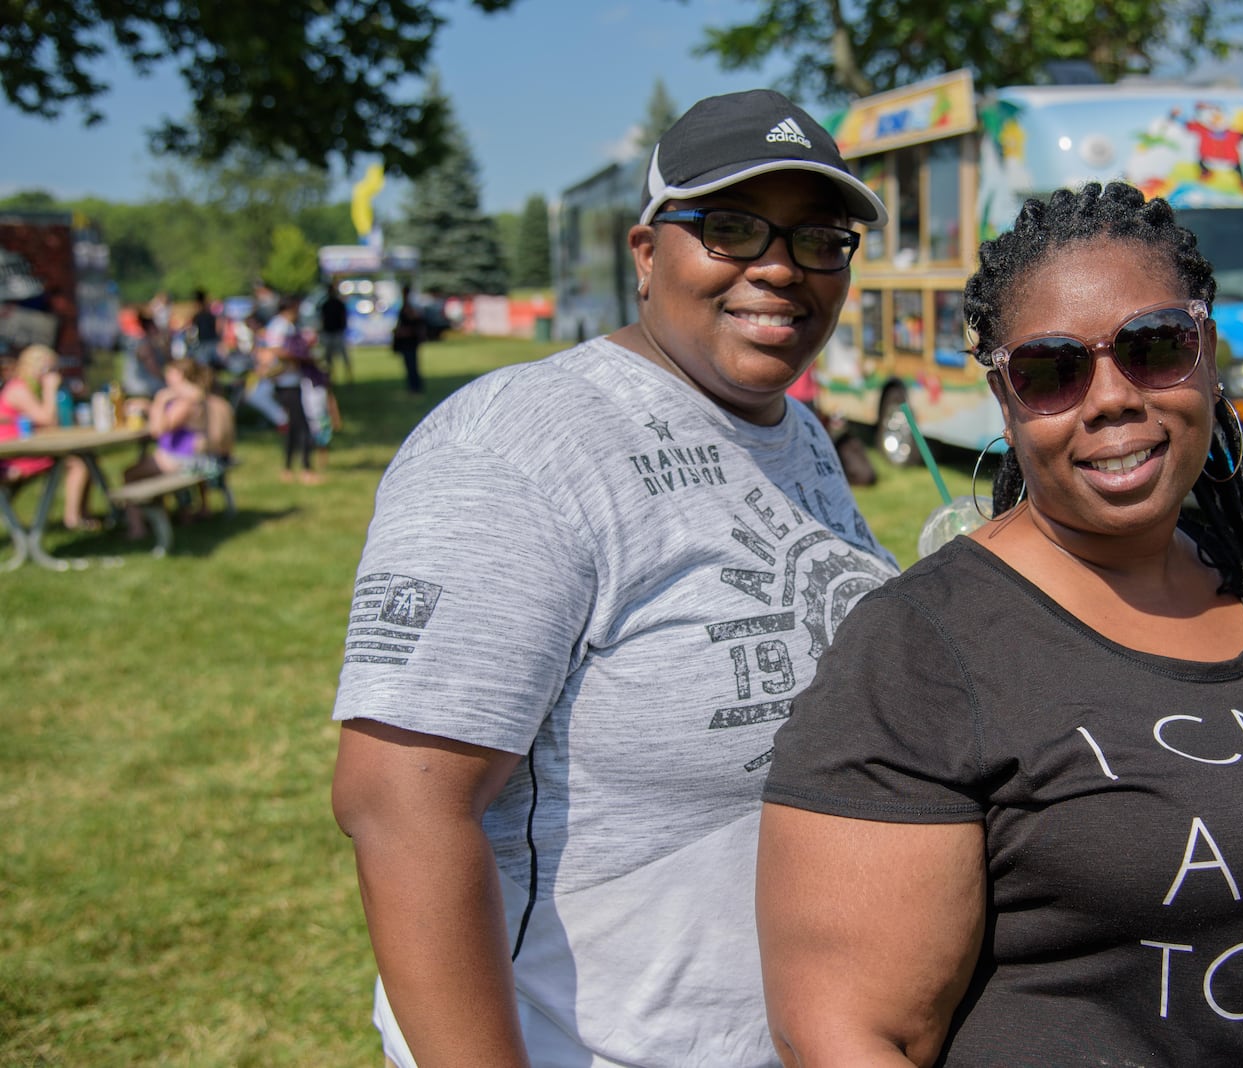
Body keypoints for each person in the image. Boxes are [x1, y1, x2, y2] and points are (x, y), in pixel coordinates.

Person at [755, 181, 1243, 1067]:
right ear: (1006, 397)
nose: (1110, 397)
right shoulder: (919, 650)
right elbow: (843, 1035)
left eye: (1153, 347)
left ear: (1207, 353)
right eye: (1053, 369)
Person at [330, 89, 897, 1068]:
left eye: (820, 238)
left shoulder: (792, 430)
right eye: (729, 227)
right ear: (646, 252)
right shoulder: (520, 444)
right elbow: (400, 805)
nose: (778, 266)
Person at [120, 356, 224, 538]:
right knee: (146, 467)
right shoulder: (194, 394)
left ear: (180, 374)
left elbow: (158, 430)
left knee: (130, 474)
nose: (166, 375)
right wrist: (150, 406)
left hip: (183, 460)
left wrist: (159, 401)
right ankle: (177, 513)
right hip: (195, 458)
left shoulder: (185, 400)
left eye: (170, 372)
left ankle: (137, 529)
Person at [0, 344, 93, 530]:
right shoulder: (18, 388)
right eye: (48, 370)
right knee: (78, 462)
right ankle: (73, 518)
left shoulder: (31, 387)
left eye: (55, 369)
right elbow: (47, 419)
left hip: (26, 449)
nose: (53, 374)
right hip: (13, 456)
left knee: (85, 457)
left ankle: (82, 514)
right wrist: (50, 389)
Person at [256, 299, 320, 484]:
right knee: (302, 426)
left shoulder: (283, 325)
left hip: (289, 381)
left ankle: (288, 469)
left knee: (294, 426)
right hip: (286, 381)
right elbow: (274, 350)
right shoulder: (280, 326)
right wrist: (302, 355)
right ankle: (307, 470)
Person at [390, 284, 425, 394]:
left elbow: (416, 322)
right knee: (409, 365)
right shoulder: (406, 305)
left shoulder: (410, 306)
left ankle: (415, 387)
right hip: (406, 342)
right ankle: (413, 387)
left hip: (410, 341)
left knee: (412, 365)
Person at [318, 285, 352, 383]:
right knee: (328, 358)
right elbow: (322, 319)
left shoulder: (339, 304)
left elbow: (344, 317)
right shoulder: (325, 304)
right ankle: (331, 377)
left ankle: (349, 377)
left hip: (338, 332)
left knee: (344, 357)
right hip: (329, 332)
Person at [189, 288, 220, 368]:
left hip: (206, 340)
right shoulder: (206, 313)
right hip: (207, 340)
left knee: (206, 362)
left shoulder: (201, 314)